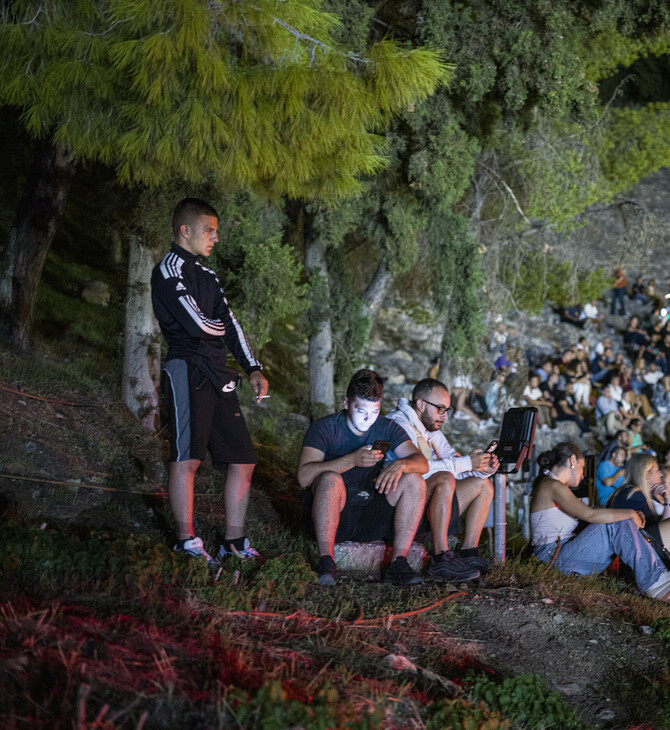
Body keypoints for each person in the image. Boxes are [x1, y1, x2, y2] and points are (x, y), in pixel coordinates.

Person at [151, 198, 269, 564]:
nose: (215, 237)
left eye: (216, 231)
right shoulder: (168, 270)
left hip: (219, 373)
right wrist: (214, 328)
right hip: (187, 367)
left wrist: (252, 367)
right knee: (188, 458)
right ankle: (186, 541)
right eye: (209, 230)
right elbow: (196, 324)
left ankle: (234, 543)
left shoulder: (208, 276)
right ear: (185, 230)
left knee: (243, 459)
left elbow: (227, 324)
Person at [297, 369, 428, 586]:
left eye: (374, 411)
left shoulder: (386, 427)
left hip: (371, 512)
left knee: (414, 479)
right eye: (361, 410)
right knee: (329, 478)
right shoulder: (325, 427)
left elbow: (421, 463)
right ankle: (326, 561)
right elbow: (303, 476)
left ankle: (398, 563)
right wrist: (351, 460)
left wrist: (400, 464)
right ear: (347, 403)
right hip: (336, 515)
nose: (368, 419)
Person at [386, 378, 499, 579]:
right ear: (420, 404)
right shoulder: (398, 424)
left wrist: (482, 467)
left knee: (483, 485)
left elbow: (454, 462)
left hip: (428, 505)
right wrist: (465, 463)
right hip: (401, 507)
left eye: (447, 410)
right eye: (440, 409)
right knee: (444, 479)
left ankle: (468, 552)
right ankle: (441, 558)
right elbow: (419, 468)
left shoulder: (431, 430)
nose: (445, 417)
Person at [530, 442, 670, 602]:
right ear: (573, 461)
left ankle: (657, 579)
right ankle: (658, 583)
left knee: (620, 519)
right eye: (583, 468)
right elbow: (590, 515)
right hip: (552, 558)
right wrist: (630, 513)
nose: (583, 475)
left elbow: (588, 517)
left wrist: (628, 515)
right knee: (616, 522)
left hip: (561, 554)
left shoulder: (553, 485)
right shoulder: (551, 485)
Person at [608, 453, 670, 563]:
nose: (661, 474)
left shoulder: (634, 492)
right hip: (638, 558)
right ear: (646, 475)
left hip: (638, 553)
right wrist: (667, 501)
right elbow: (658, 533)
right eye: (656, 470)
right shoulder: (635, 496)